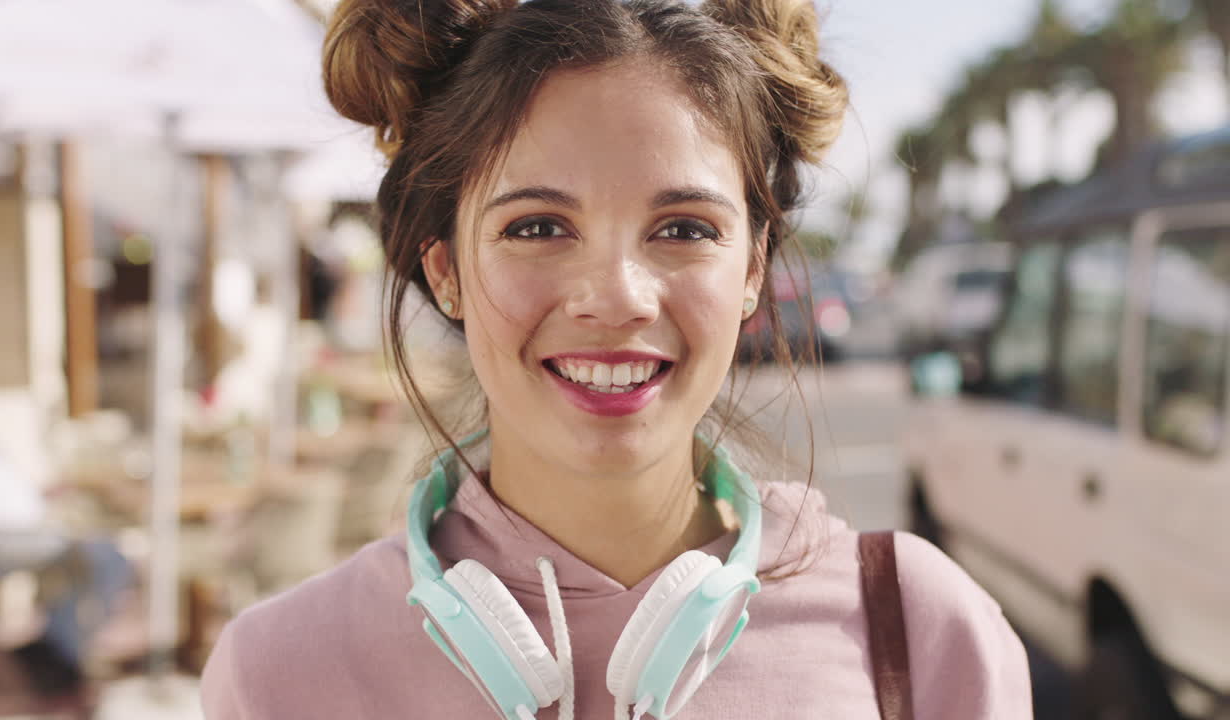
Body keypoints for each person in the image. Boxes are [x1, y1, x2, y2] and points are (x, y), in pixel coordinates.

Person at [201, 0, 1033, 717]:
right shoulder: (280, 674)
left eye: (683, 229)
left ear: (751, 269)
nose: (617, 296)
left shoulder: (918, 635)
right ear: (445, 270)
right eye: (536, 227)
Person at [0, 337, 134, 693]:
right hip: (0, 537)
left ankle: (58, 650)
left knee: (99, 548)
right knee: (103, 555)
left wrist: (43, 493)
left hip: (27, 522)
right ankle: (61, 657)